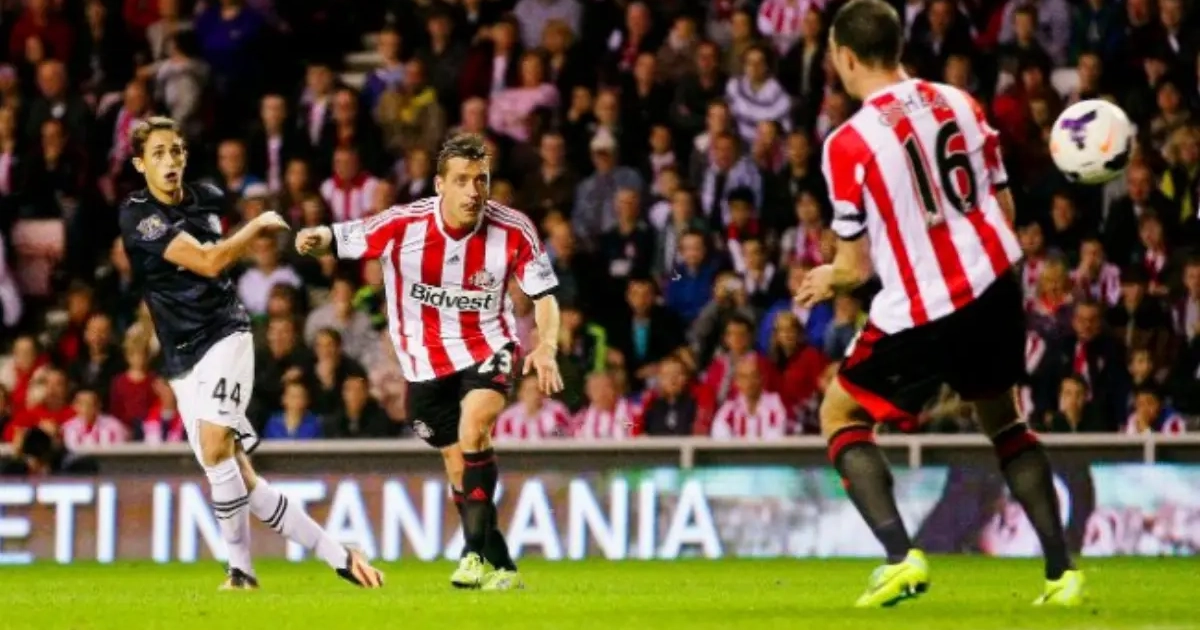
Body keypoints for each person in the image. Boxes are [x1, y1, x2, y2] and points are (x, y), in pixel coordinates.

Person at [794, 0, 1082, 608]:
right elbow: (1003, 210)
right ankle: (1062, 574)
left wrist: (828, 279)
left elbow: (855, 267)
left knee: (841, 415)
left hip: (923, 306)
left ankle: (901, 558)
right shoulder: (960, 102)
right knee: (1006, 422)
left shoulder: (847, 143)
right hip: (995, 284)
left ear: (845, 57)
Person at [117, 116, 383, 590]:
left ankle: (240, 572)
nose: (169, 160)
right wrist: (255, 226)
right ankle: (341, 556)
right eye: (157, 153)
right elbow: (208, 260)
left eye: (175, 150)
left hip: (226, 334)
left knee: (216, 444)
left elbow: (214, 261)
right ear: (140, 164)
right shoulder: (138, 215)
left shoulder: (207, 198)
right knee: (239, 477)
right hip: (180, 358)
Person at [294, 132, 564, 591]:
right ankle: (501, 565)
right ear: (439, 185)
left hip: (488, 344)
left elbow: (545, 297)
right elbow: (338, 238)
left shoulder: (514, 228)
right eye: (462, 180)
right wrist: (312, 237)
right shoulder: (403, 225)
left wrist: (547, 346)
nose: (474, 191)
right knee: (458, 466)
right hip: (423, 363)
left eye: (481, 180)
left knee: (474, 428)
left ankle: (472, 555)